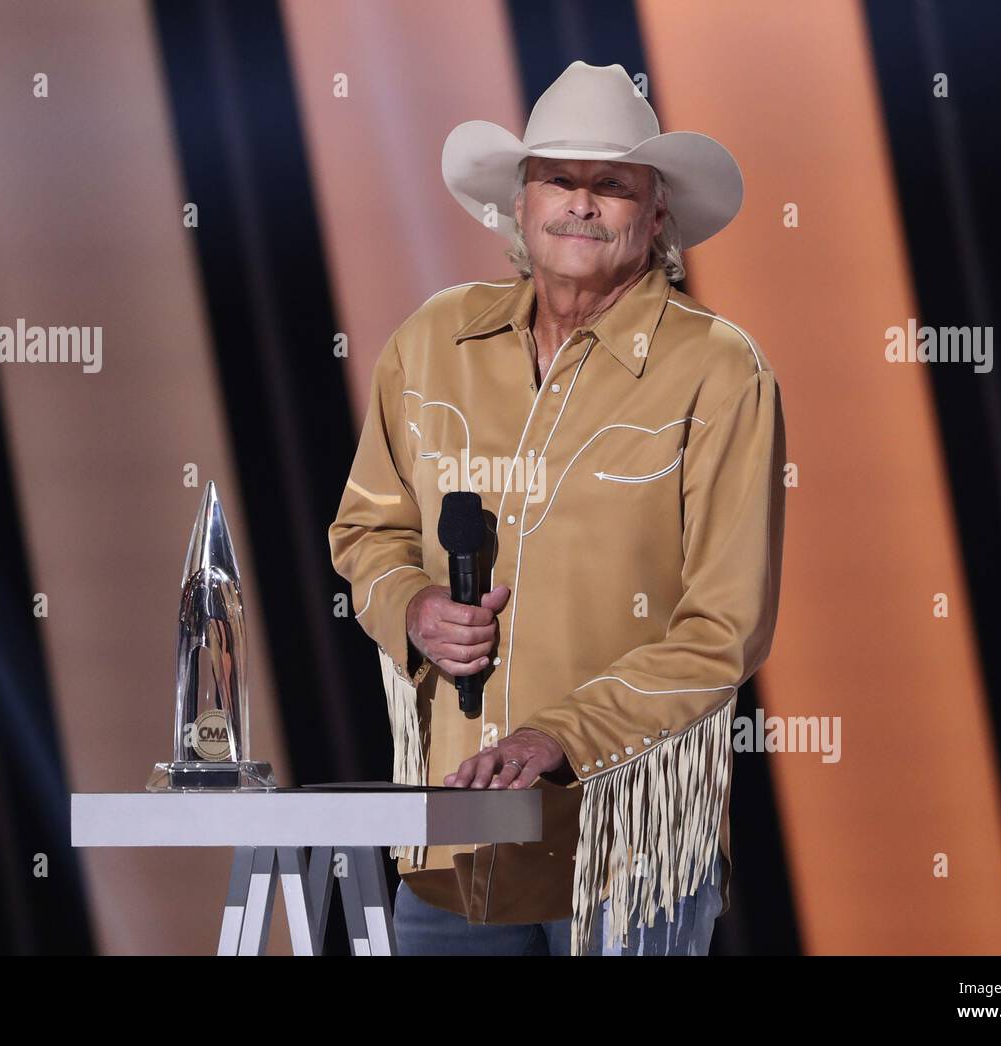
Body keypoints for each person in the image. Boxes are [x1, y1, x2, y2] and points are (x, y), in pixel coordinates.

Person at [328, 60, 786, 955]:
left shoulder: (720, 370)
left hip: (631, 846)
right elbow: (367, 529)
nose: (581, 203)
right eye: (559, 179)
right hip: (459, 838)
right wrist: (412, 608)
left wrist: (558, 737)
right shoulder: (431, 343)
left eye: (611, 184)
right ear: (521, 203)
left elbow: (725, 626)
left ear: (656, 216)